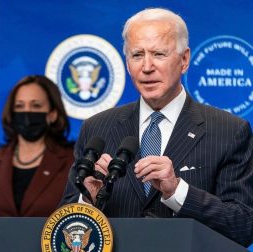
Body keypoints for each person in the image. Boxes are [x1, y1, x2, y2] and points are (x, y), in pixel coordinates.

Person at [60, 8, 253, 247]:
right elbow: (64, 227)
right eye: (137, 55)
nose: (147, 66)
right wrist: (87, 201)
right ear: (127, 63)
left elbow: (243, 225)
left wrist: (177, 191)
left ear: (184, 60)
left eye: (159, 54)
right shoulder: (97, 128)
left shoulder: (229, 131)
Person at [0, 75, 74, 250]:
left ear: (52, 114)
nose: (27, 112)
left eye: (36, 106)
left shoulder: (72, 162)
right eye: (20, 106)